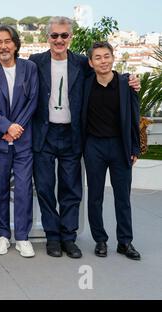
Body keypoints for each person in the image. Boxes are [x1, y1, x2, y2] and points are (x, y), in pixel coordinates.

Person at [28, 17, 140, 258]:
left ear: (70, 37)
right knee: (46, 189)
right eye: (54, 35)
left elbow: (106, 70)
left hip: (72, 135)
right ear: (47, 37)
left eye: (64, 35)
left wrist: (129, 79)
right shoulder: (35, 62)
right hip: (44, 136)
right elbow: (11, 66)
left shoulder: (81, 62)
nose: (59, 40)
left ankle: (69, 238)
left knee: (71, 189)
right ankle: (53, 238)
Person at [0, 26, 39, 257]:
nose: (3, 46)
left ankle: (22, 237)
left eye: (7, 41)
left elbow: (33, 101)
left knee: (24, 189)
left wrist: (15, 129)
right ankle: (2, 235)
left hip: (23, 142)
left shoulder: (30, 68)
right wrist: (6, 127)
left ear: (15, 44)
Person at [82, 42, 141, 260]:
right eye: (97, 57)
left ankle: (125, 242)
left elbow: (135, 117)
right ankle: (100, 240)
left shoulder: (127, 84)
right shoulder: (86, 84)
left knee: (122, 197)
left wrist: (135, 146)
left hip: (120, 146)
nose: (103, 61)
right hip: (94, 146)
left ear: (113, 58)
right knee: (95, 196)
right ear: (91, 62)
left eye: (106, 56)